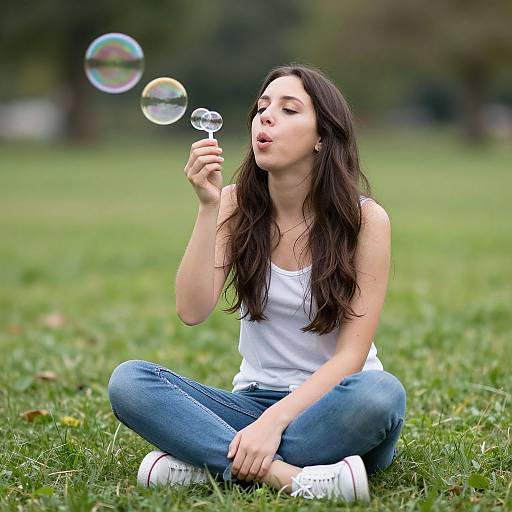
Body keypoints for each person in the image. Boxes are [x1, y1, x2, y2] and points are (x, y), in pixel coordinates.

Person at [108, 63, 406, 502]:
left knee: (381, 394)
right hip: (249, 403)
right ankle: (293, 478)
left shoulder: (364, 221)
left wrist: (272, 425)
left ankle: (207, 464)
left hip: (333, 406)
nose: (265, 117)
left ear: (322, 136)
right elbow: (191, 310)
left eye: (288, 110)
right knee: (129, 382)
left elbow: (351, 357)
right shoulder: (233, 205)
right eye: (262, 107)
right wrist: (208, 208)